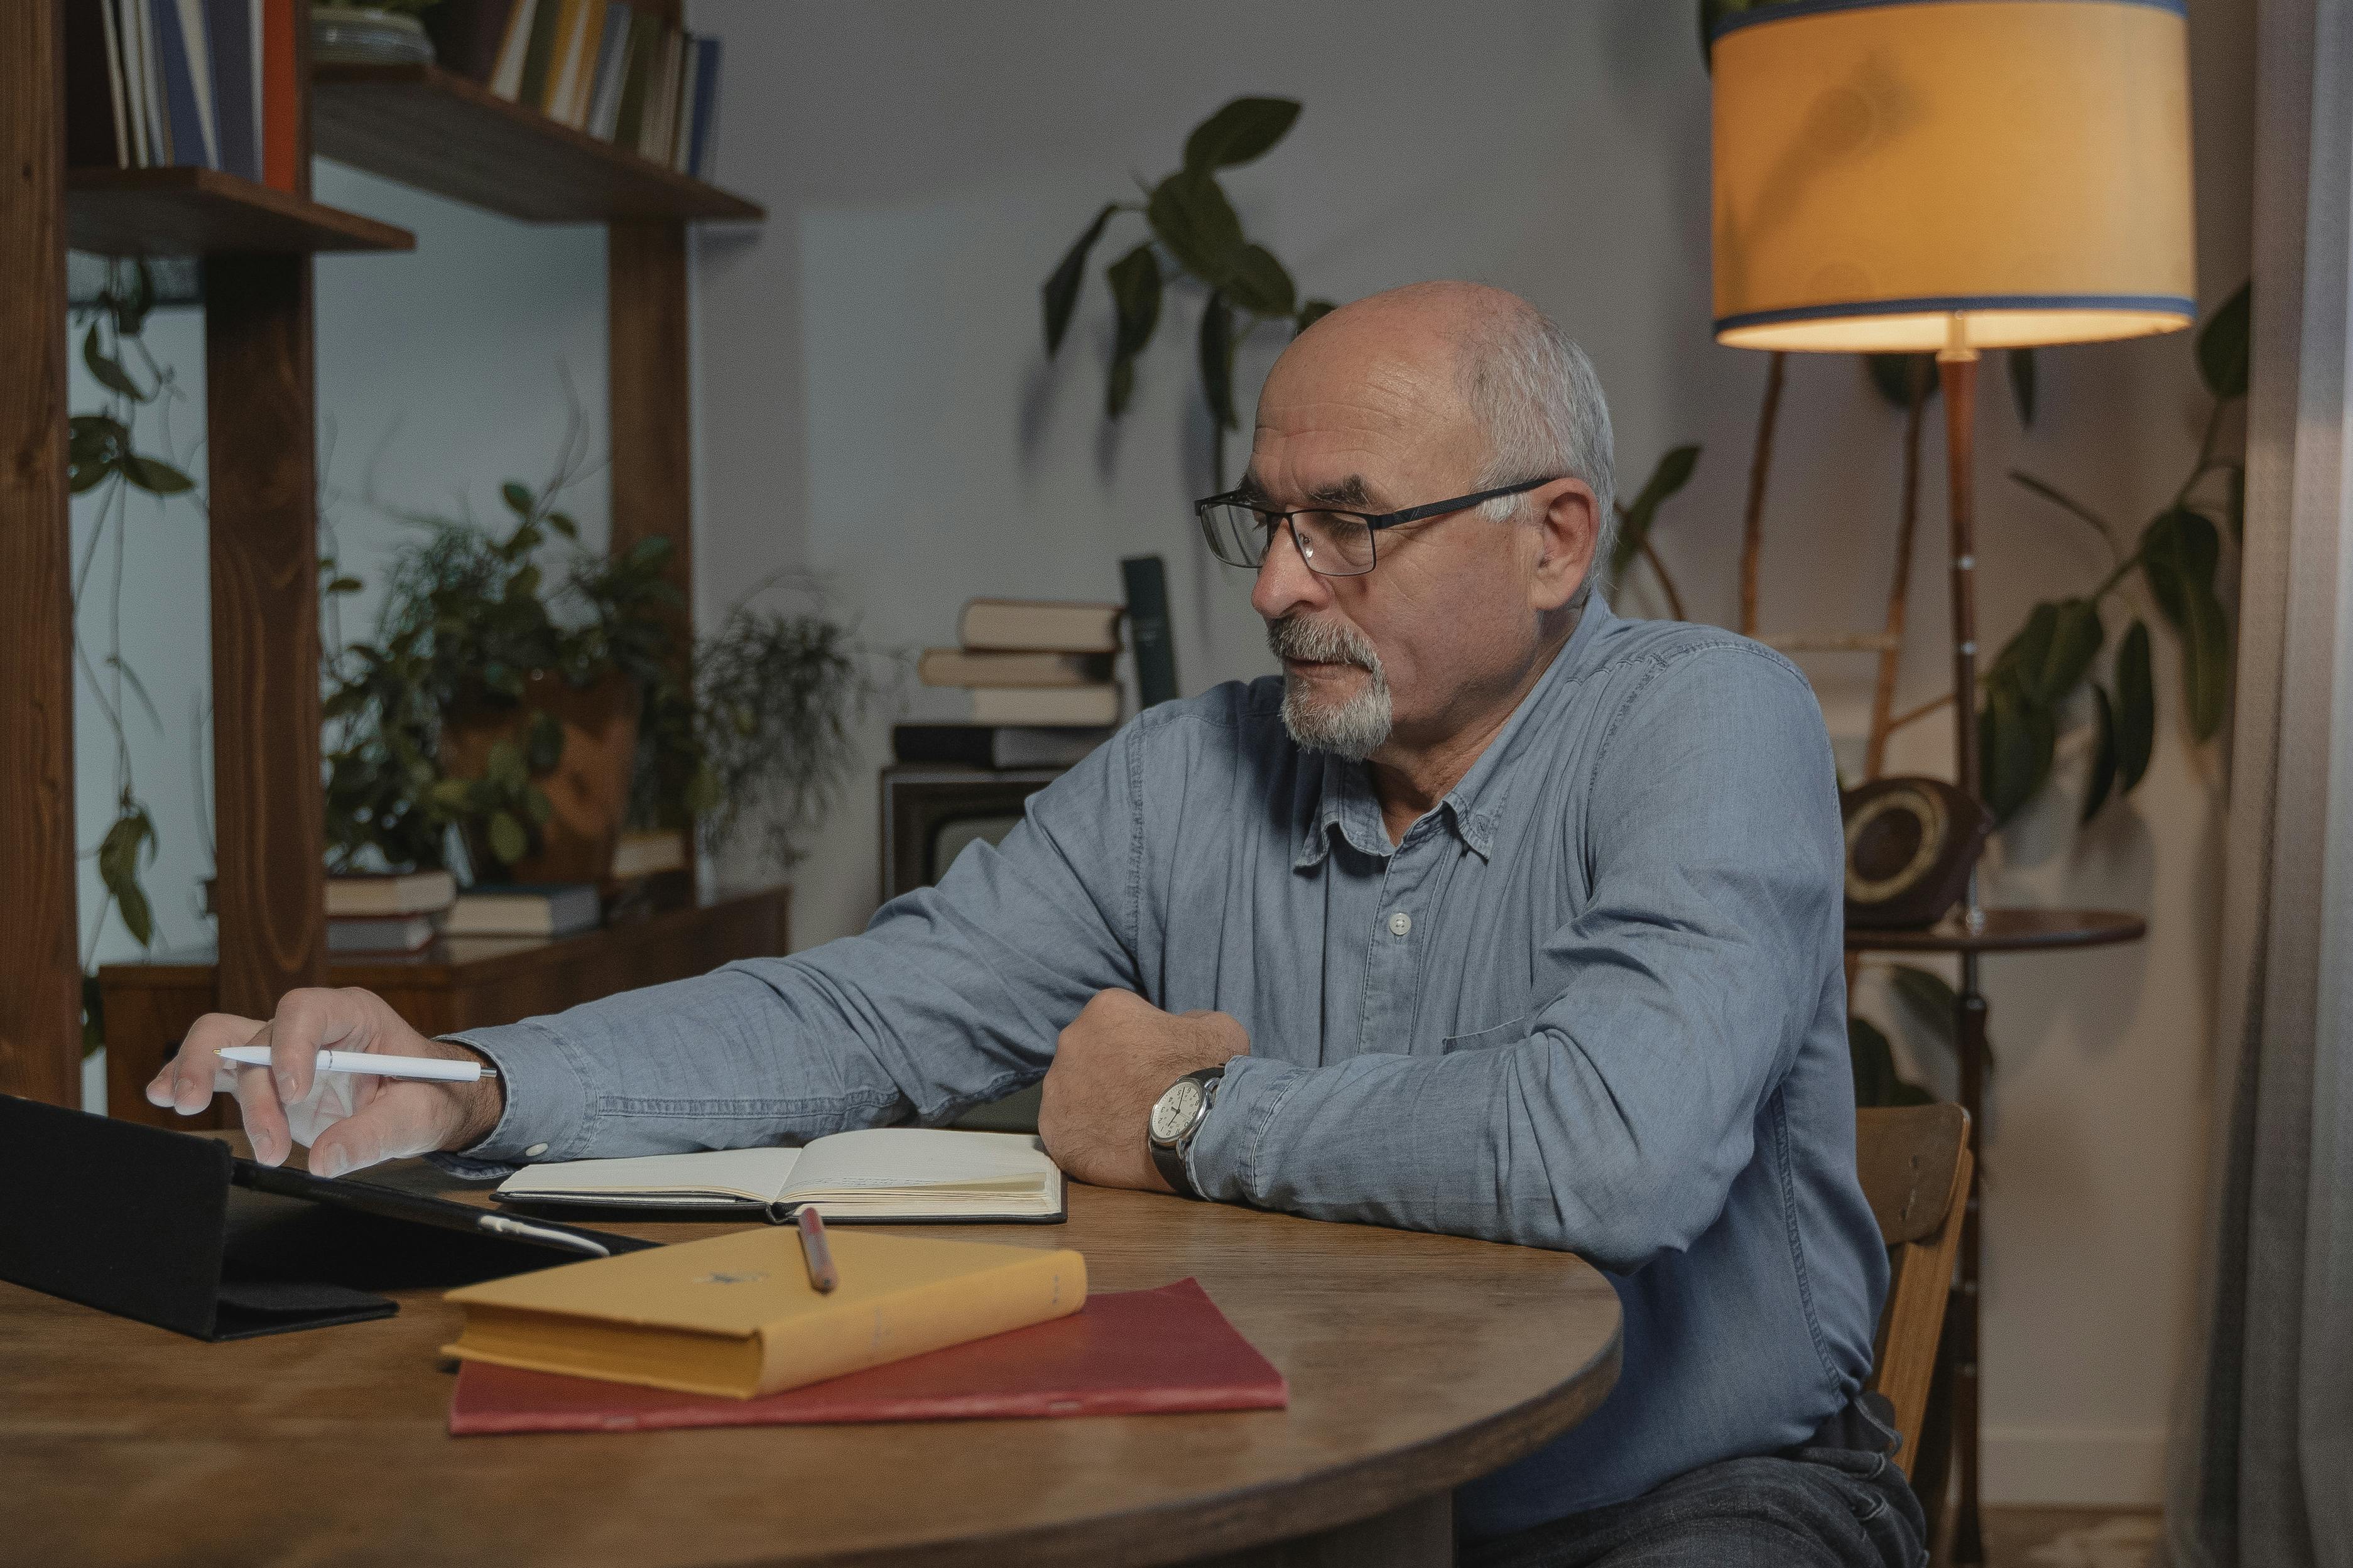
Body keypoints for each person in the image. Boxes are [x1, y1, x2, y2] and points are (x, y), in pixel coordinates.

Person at [153, 281, 1923, 1567]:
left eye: (1349, 527)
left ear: (1552, 539)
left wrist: (1182, 1114)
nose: (1275, 584)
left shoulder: (1712, 719)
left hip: (1691, 1502)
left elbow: (1611, 1154)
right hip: (1291, 1494)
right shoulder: (1180, 776)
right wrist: (463, 1081)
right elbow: (859, 1016)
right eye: (1267, 517)